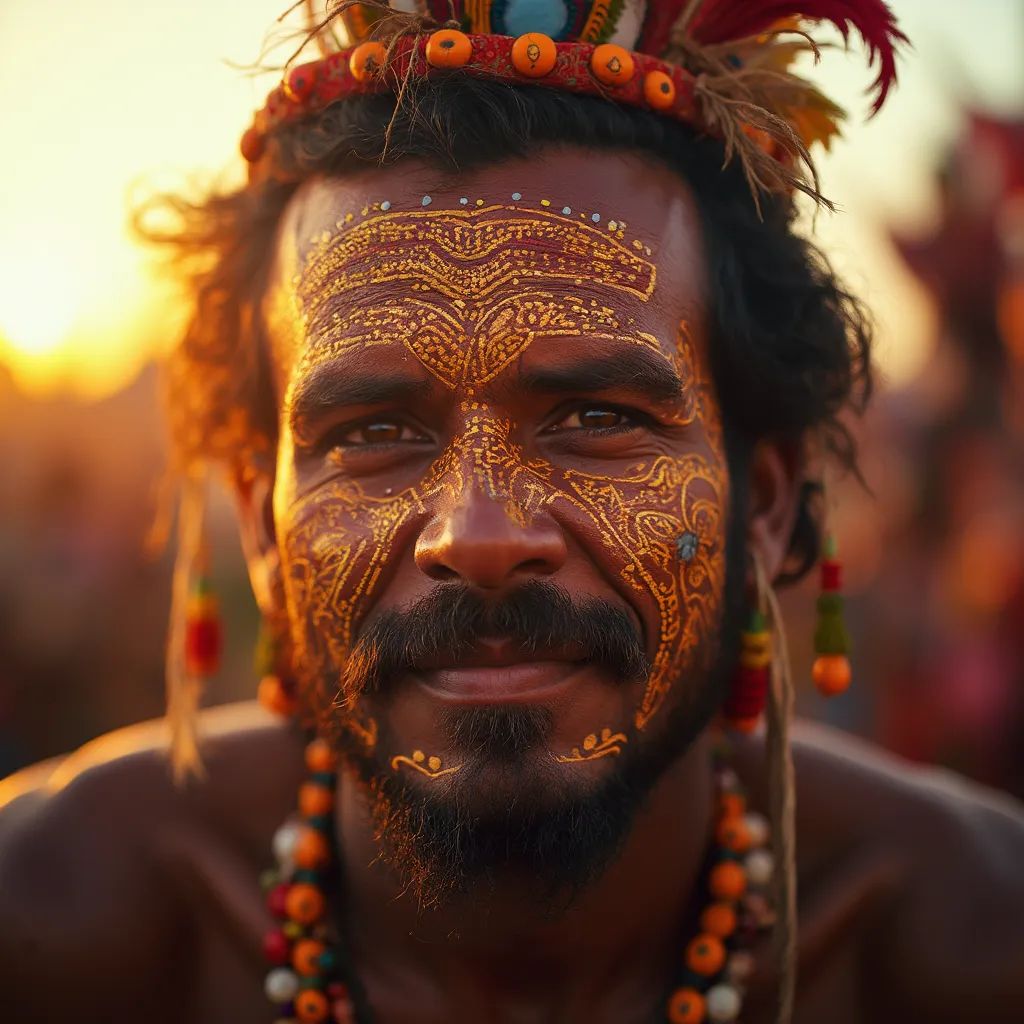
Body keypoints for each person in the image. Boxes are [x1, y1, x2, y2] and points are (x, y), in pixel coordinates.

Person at [1, 2, 1023, 1022]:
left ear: (761, 498)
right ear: (262, 528)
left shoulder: (972, 943)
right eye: (372, 433)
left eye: (595, 416)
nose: (480, 536)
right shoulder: (52, 923)